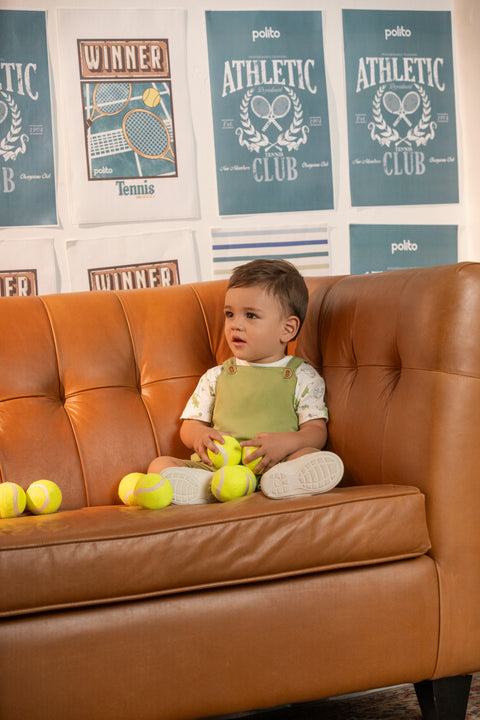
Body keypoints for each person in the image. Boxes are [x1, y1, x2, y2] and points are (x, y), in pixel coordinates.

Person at [148, 258, 344, 503]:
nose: (235, 325)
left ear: (287, 329)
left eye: (250, 315)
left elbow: (316, 432)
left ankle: (285, 482)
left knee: (308, 455)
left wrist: (286, 443)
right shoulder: (216, 376)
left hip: (276, 465)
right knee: (160, 464)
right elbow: (189, 425)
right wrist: (200, 435)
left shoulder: (302, 376)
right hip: (218, 470)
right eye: (229, 314)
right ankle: (204, 487)